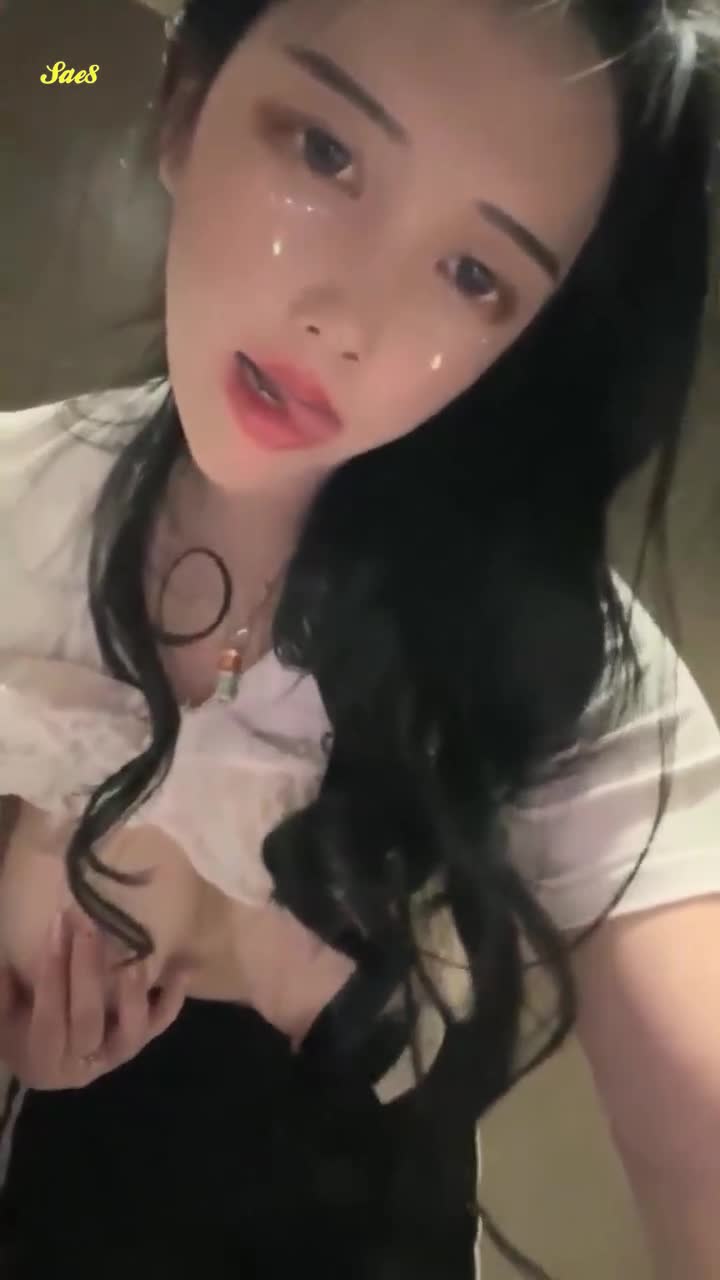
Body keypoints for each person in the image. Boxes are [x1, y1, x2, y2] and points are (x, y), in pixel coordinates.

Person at [0, 0, 719, 1275]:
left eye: (476, 273)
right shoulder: (19, 509)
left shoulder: (558, 665)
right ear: (186, 105)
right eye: (326, 151)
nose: (348, 319)